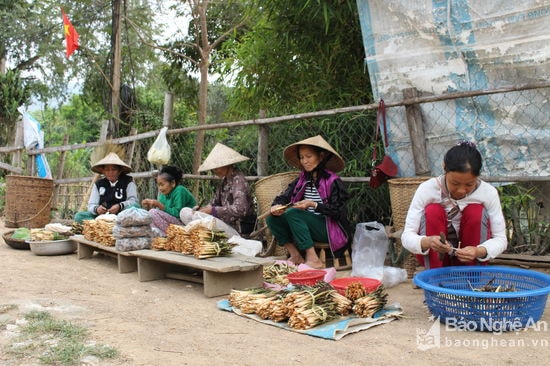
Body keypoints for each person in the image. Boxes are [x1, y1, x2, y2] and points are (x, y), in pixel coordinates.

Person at [401, 141, 508, 269]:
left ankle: (471, 277)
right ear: (444, 167)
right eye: (455, 183)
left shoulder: (488, 193)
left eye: (469, 184)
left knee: (476, 212)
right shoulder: (427, 189)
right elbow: (407, 236)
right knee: (432, 210)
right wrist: (428, 241)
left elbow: (501, 239)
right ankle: (436, 277)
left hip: (470, 259)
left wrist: (478, 251)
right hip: (437, 257)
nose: (461, 190)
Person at [266, 135, 353, 269]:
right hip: (306, 227)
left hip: (329, 228)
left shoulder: (332, 180)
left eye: (309, 156)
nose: (305, 161)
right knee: (272, 219)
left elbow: (338, 212)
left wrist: (313, 205)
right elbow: (284, 196)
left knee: (293, 213)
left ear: (321, 156)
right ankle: (296, 255)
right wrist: (276, 206)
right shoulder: (302, 179)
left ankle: (313, 259)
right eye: (302, 157)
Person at [195, 143, 256, 235]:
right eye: (213, 168)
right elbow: (214, 202)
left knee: (198, 221)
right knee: (186, 212)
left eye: (217, 167)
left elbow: (240, 209)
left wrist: (214, 211)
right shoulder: (225, 181)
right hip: (227, 223)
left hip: (240, 227)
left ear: (227, 165)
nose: (214, 171)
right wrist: (203, 209)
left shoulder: (239, 180)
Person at [74, 152, 139, 223]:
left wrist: (120, 206)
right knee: (79, 216)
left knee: (135, 207)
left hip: (122, 216)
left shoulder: (128, 181)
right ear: (103, 171)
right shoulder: (98, 184)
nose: (110, 172)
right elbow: (91, 205)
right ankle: (103, 225)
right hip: (103, 217)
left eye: (114, 169)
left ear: (119, 171)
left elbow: (133, 201)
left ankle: (115, 225)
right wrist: (97, 209)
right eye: (107, 170)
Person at [142, 165, 196, 236]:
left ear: (173, 183)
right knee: (149, 215)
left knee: (153, 212)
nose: (160, 188)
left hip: (186, 225)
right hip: (173, 225)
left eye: (162, 184)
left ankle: (170, 236)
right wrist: (149, 206)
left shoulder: (180, 190)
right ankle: (161, 237)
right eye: (158, 185)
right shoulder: (162, 196)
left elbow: (178, 214)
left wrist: (159, 205)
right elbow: (160, 216)